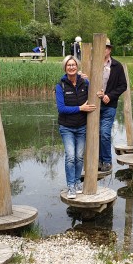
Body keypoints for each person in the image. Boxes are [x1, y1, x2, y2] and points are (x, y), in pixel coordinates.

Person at [55, 56, 96, 199]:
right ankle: (71, 186)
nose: (71, 67)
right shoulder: (60, 85)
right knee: (70, 157)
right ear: (65, 68)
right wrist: (80, 108)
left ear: (77, 67)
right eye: (68, 65)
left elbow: (95, 93)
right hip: (66, 127)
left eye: (73, 65)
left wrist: (100, 93)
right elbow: (61, 109)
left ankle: (78, 182)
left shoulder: (84, 82)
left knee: (79, 157)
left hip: (82, 127)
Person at [96, 38, 127, 172]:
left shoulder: (117, 66)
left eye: (106, 47)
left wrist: (110, 95)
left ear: (109, 49)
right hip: (94, 105)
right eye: (101, 47)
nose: (104, 50)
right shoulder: (93, 64)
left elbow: (123, 86)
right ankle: (97, 160)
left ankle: (107, 161)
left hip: (109, 105)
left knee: (105, 133)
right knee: (94, 134)